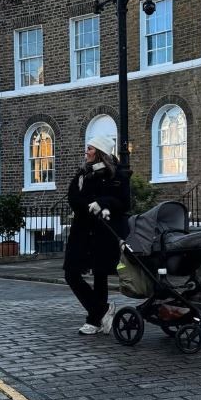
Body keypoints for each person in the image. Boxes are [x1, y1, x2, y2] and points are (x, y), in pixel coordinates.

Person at [64, 135, 130, 335]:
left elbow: (124, 203)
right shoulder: (83, 173)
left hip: (103, 232)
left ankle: (94, 320)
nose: (87, 152)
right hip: (82, 229)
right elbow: (73, 197)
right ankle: (103, 310)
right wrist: (86, 206)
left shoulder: (117, 175)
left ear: (100, 151)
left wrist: (104, 202)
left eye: (90, 148)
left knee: (100, 275)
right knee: (71, 273)